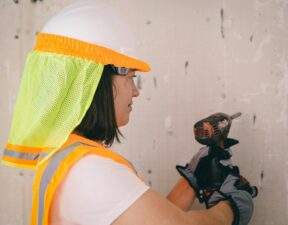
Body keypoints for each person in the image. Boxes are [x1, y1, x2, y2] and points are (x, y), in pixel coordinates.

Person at [1, 1, 256, 225]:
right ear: (95, 80)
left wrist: (191, 180)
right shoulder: (91, 169)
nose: (135, 92)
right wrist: (231, 208)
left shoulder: (67, 155)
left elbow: (144, 216)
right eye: (131, 77)